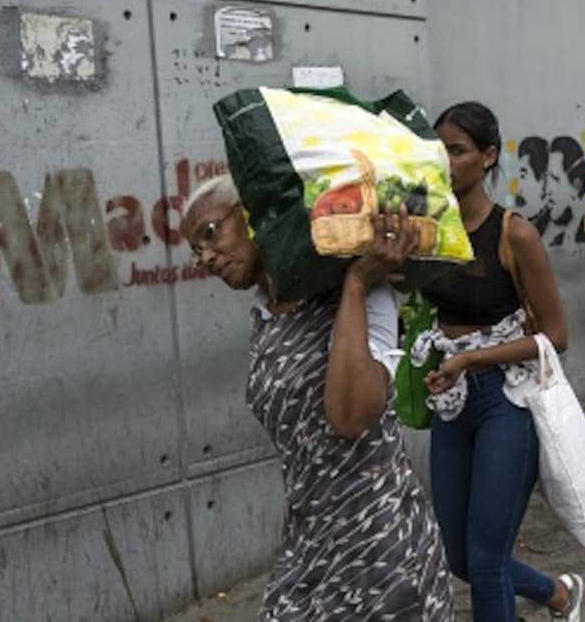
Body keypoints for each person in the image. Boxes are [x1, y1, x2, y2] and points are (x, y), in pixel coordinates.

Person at [179, 175, 452, 621]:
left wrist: (358, 285)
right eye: (196, 249)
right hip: (310, 546)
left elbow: (350, 417)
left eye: (210, 233)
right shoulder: (266, 317)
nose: (206, 257)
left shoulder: (364, 294)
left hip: (380, 549)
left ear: (251, 212)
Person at [415, 101, 584, 621]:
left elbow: (557, 336)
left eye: (458, 150)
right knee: (459, 555)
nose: (446, 160)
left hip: (505, 401)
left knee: (486, 562)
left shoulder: (514, 234)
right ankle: (557, 594)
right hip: (451, 400)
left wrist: (474, 358)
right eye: (438, 148)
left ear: (488, 157)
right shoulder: (429, 231)